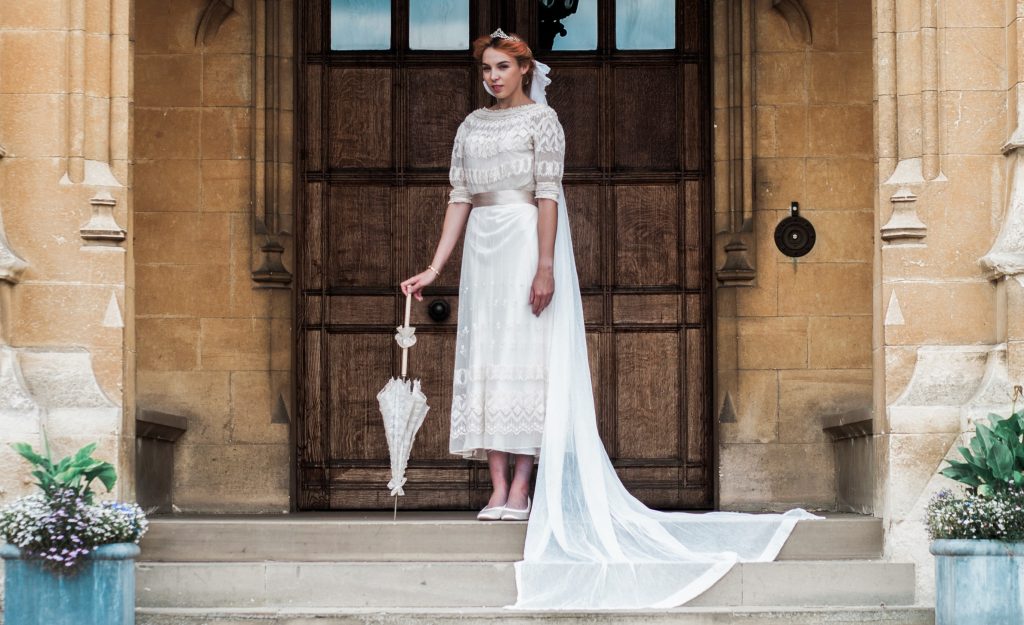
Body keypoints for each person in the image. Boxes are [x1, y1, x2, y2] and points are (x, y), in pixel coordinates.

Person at [401, 28, 824, 611]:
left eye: (501, 67)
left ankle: (523, 485)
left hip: (525, 239)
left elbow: (549, 194)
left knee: (527, 357)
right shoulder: (471, 126)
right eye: (485, 69)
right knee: (490, 358)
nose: (492, 77)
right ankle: (496, 484)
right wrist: (433, 267)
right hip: (482, 249)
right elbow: (458, 197)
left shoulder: (542, 123)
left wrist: (545, 266)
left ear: (524, 69)